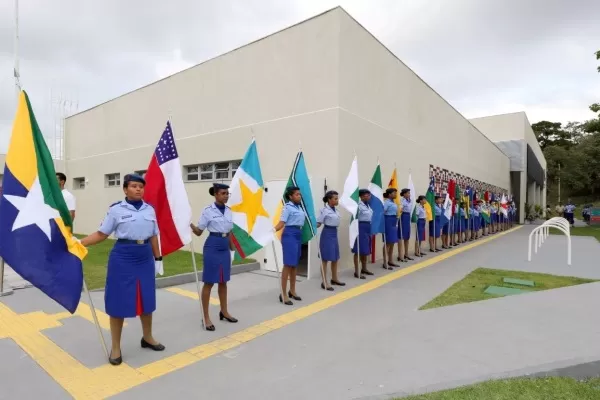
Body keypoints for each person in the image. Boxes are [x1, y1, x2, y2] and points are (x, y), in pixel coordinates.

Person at [79, 174, 164, 366]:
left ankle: (148, 337)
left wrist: (158, 257)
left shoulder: (149, 209)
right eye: (134, 186)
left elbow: (153, 235)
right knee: (119, 301)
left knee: (147, 299)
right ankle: (116, 346)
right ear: (125, 189)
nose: (138, 189)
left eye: (141, 186)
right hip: (123, 256)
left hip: (144, 257)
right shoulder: (116, 210)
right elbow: (102, 234)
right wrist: (79, 243)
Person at [190, 183, 237, 331]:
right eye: (223, 193)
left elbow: (229, 232)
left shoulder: (229, 211)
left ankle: (224, 311)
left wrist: (232, 249)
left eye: (227, 193)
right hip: (212, 246)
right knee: (209, 282)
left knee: (223, 281)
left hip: (224, 247)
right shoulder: (208, 211)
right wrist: (188, 224)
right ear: (216, 195)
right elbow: (199, 232)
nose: (226, 195)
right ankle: (205, 317)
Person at [274, 186, 306, 305]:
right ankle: (283, 294)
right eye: (297, 194)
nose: (299, 196)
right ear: (290, 196)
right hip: (289, 235)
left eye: (300, 194)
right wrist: (272, 230)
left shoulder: (300, 207)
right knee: (288, 264)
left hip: (298, 234)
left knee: (294, 265)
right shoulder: (287, 207)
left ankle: (292, 290)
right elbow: (281, 223)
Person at [316, 191, 345, 291]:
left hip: (334, 233)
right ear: (329, 199)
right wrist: (311, 227)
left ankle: (334, 278)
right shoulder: (324, 210)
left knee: (335, 258)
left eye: (337, 198)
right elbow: (318, 223)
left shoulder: (336, 210)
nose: (337, 200)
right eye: (335, 198)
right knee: (325, 259)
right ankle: (324, 282)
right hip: (327, 234)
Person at [352, 189, 374, 279]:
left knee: (365, 250)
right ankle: (357, 271)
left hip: (367, 227)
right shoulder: (358, 206)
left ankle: (364, 268)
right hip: (360, 227)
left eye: (368, 195)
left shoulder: (368, 206)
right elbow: (354, 218)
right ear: (361, 196)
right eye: (365, 195)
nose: (368, 197)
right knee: (358, 250)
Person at [383, 188, 399, 269]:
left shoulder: (393, 202)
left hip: (393, 221)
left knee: (392, 241)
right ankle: (385, 262)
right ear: (389, 194)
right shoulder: (386, 203)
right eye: (394, 193)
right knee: (387, 242)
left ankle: (390, 260)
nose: (396, 194)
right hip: (388, 221)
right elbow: (383, 212)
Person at [399, 188, 413, 261]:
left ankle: (406, 254)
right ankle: (400, 255)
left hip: (408, 217)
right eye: (407, 193)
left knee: (407, 237)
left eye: (409, 193)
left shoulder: (410, 200)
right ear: (404, 194)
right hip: (403, 217)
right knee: (401, 236)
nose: (409, 194)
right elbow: (400, 209)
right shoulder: (402, 200)